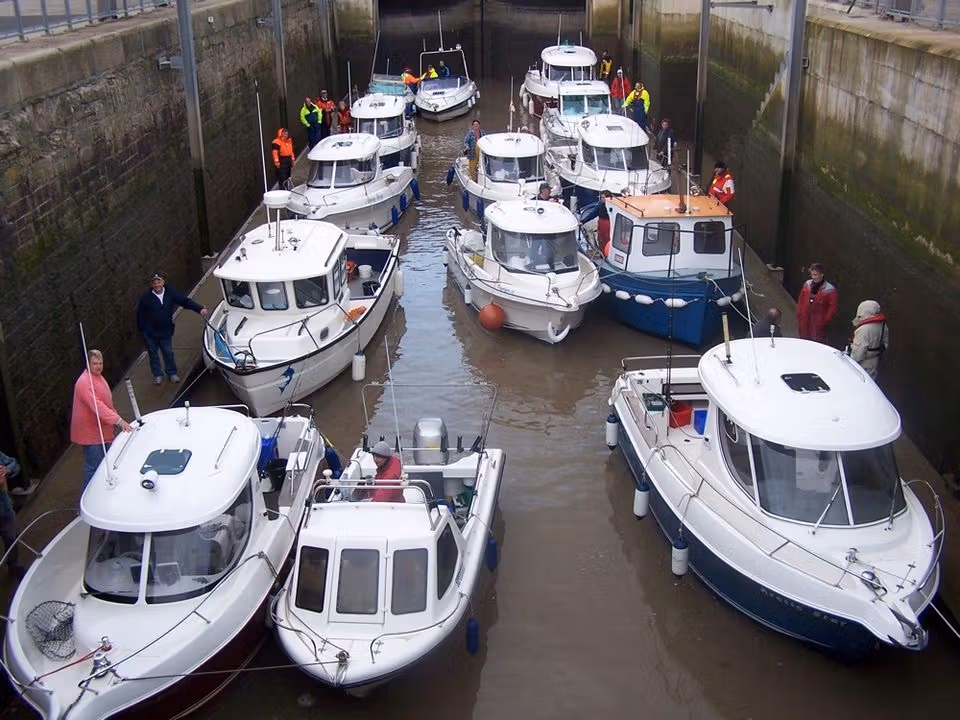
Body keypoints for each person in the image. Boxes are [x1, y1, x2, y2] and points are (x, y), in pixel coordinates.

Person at [71, 349, 134, 489]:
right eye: (95, 363)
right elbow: (98, 406)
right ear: (88, 364)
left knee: (105, 463)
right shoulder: (84, 383)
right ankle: (85, 500)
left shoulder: (97, 377)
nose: (98, 366)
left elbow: (106, 403)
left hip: (101, 430)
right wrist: (118, 420)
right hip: (91, 434)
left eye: (100, 363)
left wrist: (115, 418)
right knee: (94, 468)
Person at [136, 272, 209, 384]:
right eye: (154, 283)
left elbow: (184, 301)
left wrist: (199, 309)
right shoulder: (146, 297)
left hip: (165, 331)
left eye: (159, 282)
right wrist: (143, 331)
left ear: (163, 282)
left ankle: (171, 373)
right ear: (152, 285)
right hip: (150, 333)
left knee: (168, 352)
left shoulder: (170, 293)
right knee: (153, 354)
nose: (157, 285)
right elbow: (140, 315)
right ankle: (158, 375)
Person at [796, 263, 838, 344]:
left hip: (818, 320)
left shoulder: (830, 290)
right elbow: (801, 299)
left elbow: (832, 308)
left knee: (817, 341)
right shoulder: (807, 284)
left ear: (822, 275)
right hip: (804, 317)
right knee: (803, 338)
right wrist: (799, 312)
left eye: (815, 275)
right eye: (812, 275)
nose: (813, 277)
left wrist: (824, 320)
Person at [849, 300, 889, 379]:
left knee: (860, 380)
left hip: (863, 364)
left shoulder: (863, 330)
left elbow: (858, 354)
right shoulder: (883, 325)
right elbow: (885, 344)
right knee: (871, 381)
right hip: (874, 361)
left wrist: (851, 360)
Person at [0, 460, 24, 581]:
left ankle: (14, 565)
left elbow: (14, 464)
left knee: (12, 538)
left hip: (4, 508)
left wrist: (7, 470)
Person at [597, 189, 613, 256]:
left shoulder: (611, 206)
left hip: (607, 222)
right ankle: (602, 252)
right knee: (600, 238)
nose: (602, 199)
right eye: (601, 198)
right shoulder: (600, 204)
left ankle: (606, 254)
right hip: (601, 221)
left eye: (603, 198)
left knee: (606, 238)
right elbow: (594, 213)